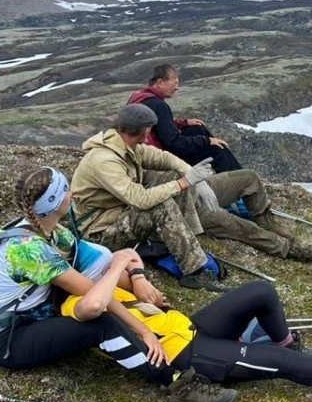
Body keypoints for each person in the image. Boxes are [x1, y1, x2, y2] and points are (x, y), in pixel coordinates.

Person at [0, 166, 238, 402]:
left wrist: (140, 304)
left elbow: (96, 279)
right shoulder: (30, 249)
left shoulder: (53, 233)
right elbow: (96, 298)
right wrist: (120, 272)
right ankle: (178, 384)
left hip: (32, 318)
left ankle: (161, 349)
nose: (72, 193)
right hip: (8, 340)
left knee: (102, 309)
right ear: (55, 203)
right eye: (67, 189)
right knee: (100, 325)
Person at [61, 278, 312, 390]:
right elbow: (94, 306)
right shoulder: (76, 301)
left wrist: (134, 275)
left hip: (192, 328)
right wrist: (118, 266)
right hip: (187, 357)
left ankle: (288, 342)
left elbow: (129, 260)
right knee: (277, 363)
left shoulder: (98, 279)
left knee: (260, 291)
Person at [71, 104, 226, 291]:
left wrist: (190, 174)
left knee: (173, 179)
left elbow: (164, 158)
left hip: (116, 214)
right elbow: (141, 199)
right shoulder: (105, 160)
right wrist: (184, 182)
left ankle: (188, 246)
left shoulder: (124, 144)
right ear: (145, 130)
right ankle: (194, 272)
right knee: (162, 204)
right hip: (98, 231)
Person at [129, 63, 243, 173]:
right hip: (157, 157)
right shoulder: (159, 105)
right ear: (160, 82)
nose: (177, 88)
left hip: (147, 149)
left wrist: (184, 123)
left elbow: (159, 124)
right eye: (174, 83)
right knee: (217, 150)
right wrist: (207, 141)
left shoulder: (142, 97)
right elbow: (174, 143)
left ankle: (238, 173)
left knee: (197, 128)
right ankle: (242, 182)